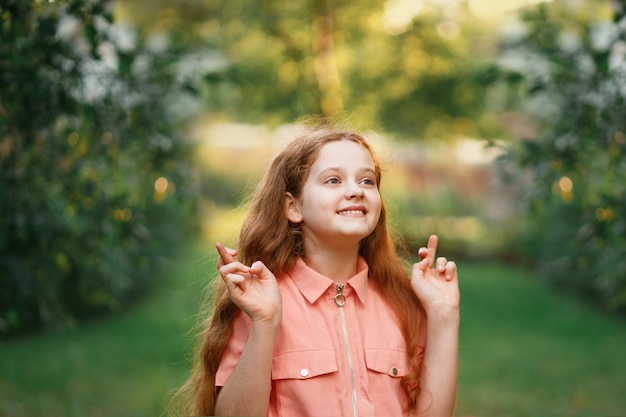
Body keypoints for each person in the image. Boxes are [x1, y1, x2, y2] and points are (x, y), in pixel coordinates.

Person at [174, 125, 460, 417]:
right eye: (334, 180)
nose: (355, 191)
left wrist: (444, 315)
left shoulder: (399, 302)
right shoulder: (262, 302)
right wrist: (264, 321)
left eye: (367, 181)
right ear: (293, 207)